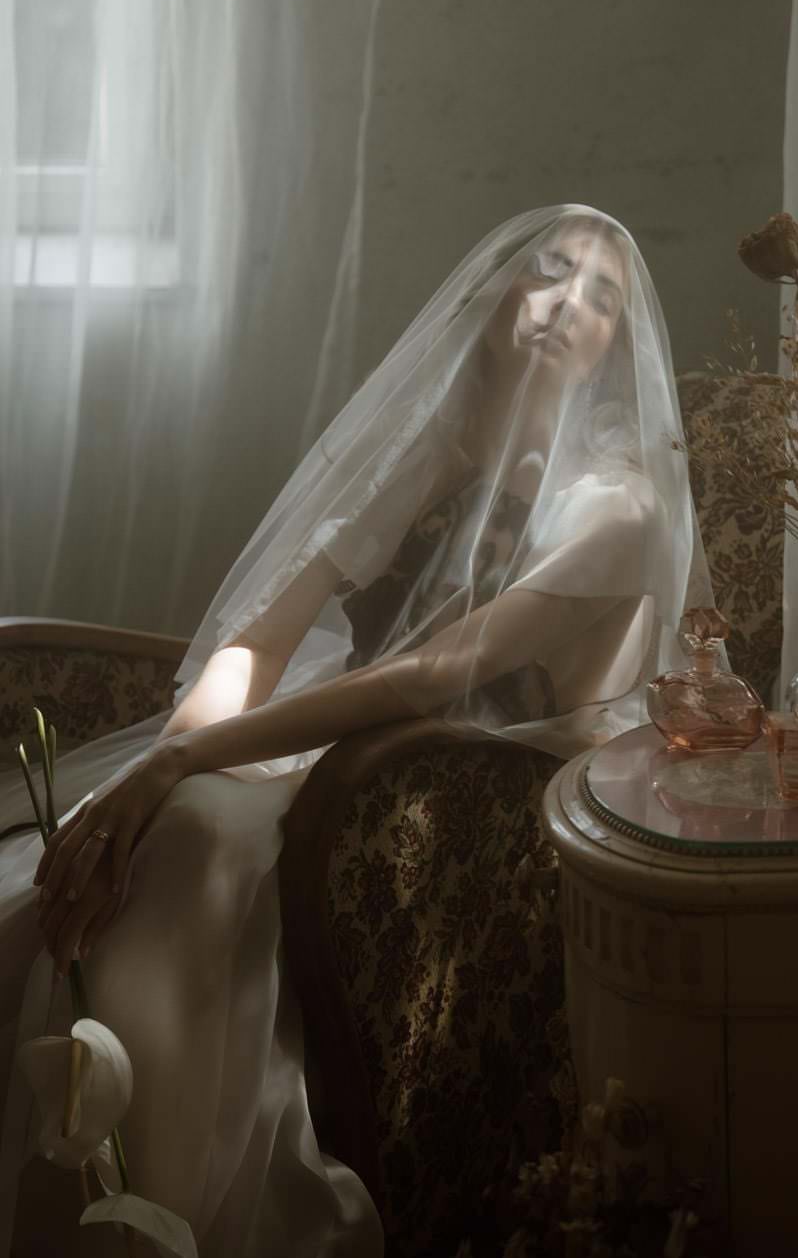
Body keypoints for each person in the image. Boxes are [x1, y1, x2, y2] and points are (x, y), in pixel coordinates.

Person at [0, 205, 712, 1256]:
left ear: (617, 343)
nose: (563, 304)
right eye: (549, 274)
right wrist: (160, 760)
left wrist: (191, 761)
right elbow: (261, 637)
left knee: (203, 834)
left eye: (597, 296)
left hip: (460, 812)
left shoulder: (619, 509)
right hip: (334, 758)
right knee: (90, 868)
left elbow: (441, 673)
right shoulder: (440, 444)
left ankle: (157, 1205)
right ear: (504, 295)